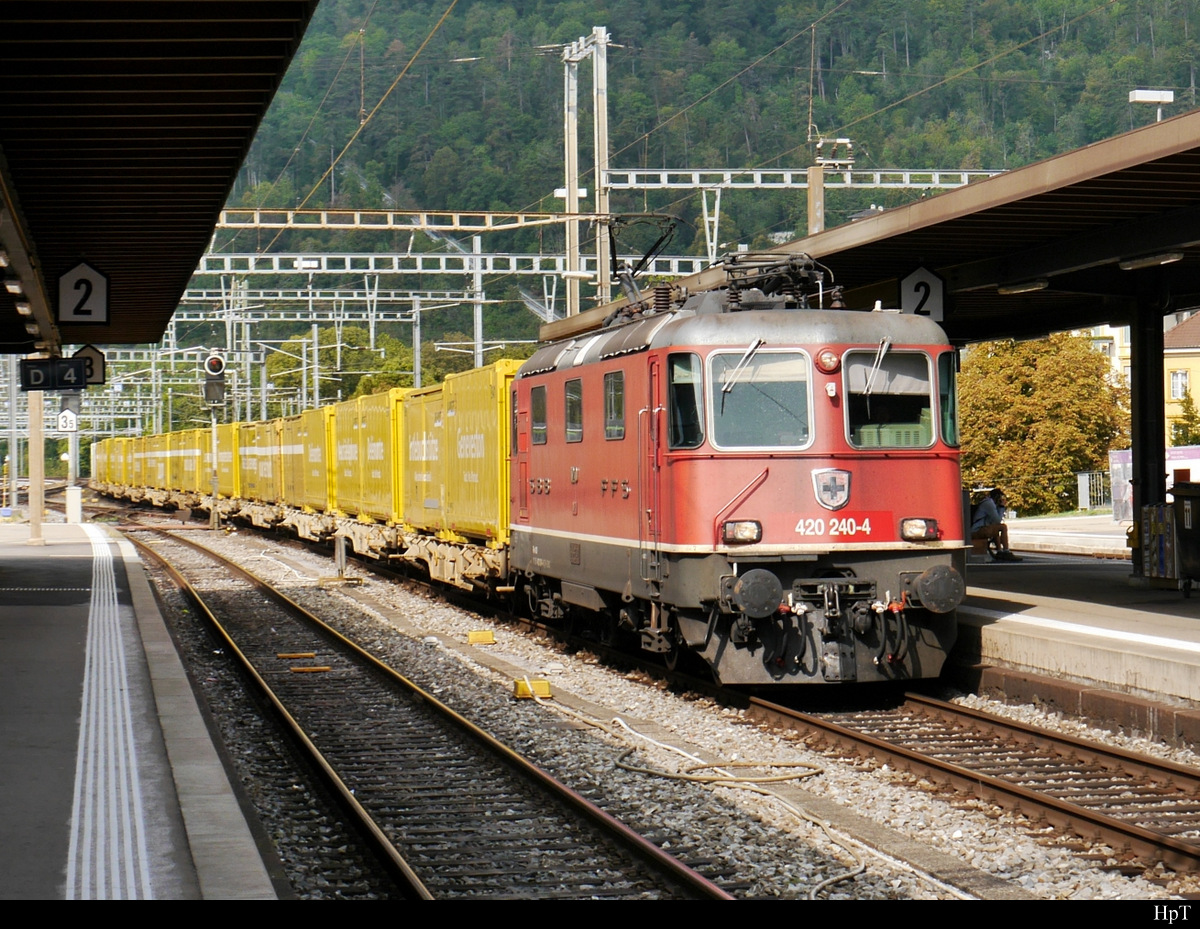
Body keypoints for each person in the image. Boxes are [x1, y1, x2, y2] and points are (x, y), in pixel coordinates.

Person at [972, 488, 1022, 561]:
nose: (1001, 500)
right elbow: (998, 520)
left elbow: (995, 521)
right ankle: (1006, 551)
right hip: (977, 529)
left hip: (980, 528)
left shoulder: (989, 503)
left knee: (996, 528)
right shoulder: (989, 504)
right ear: (997, 497)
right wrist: (1001, 507)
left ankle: (999, 551)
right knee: (1003, 527)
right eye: (1000, 498)